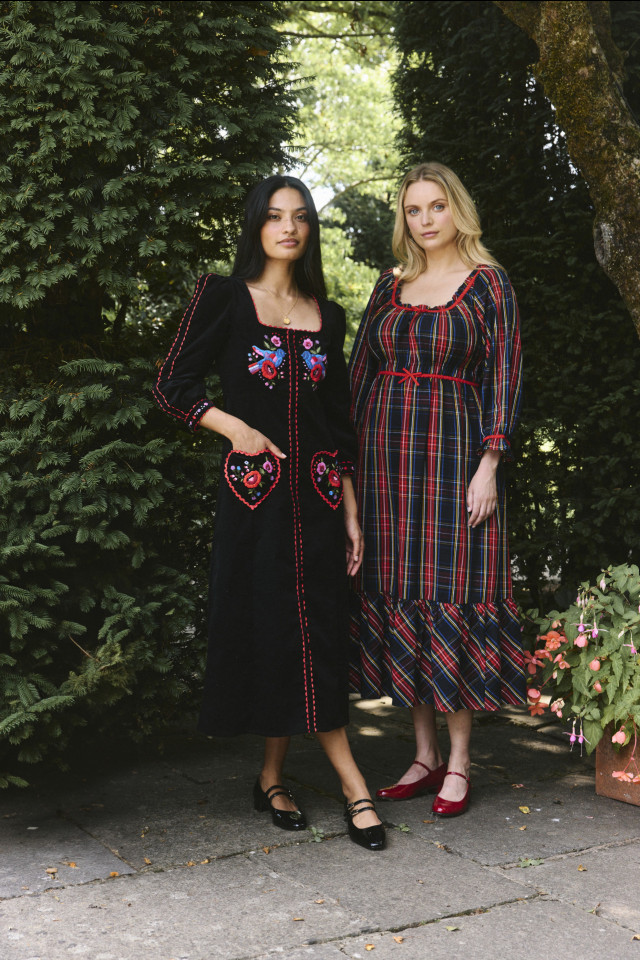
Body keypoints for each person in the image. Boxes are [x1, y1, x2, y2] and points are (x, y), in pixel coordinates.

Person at [154, 175, 384, 851]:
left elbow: (339, 426)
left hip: (316, 501)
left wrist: (352, 516)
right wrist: (235, 429)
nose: (288, 228)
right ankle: (352, 785)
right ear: (255, 225)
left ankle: (273, 777)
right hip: (254, 498)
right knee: (279, 630)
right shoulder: (224, 298)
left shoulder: (327, 313)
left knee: (313, 633)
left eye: (300, 218)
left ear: (309, 230)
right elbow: (173, 385)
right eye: (275, 217)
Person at [348, 162, 525, 817]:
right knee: (401, 601)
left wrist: (490, 462)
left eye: (436, 208)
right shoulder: (388, 286)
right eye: (413, 211)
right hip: (386, 467)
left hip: (454, 465)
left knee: (452, 598)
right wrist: (347, 477)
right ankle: (421, 756)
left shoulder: (488, 285)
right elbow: (360, 376)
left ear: (458, 212)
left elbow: (505, 376)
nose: (424, 221)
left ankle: (459, 763)